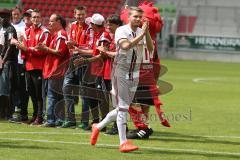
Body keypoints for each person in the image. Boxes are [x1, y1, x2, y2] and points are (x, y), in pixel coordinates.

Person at [89, 7, 153, 152]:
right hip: (121, 72)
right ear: (128, 17)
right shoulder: (121, 30)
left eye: (140, 17)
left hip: (134, 74)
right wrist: (142, 34)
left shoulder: (140, 32)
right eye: (135, 16)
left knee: (121, 108)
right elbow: (125, 45)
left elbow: (150, 48)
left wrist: (146, 32)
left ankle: (97, 127)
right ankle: (123, 142)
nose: (138, 19)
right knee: (123, 108)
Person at [11, 9, 51, 125]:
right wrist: (20, 46)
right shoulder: (27, 31)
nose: (35, 19)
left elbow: (41, 51)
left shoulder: (45, 32)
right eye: (33, 17)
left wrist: (25, 48)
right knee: (32, 93)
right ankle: (35, 116)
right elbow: (25, 51)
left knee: (39, 94)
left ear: (41, 18)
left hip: (39, 67)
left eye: (37, 17)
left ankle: (40, 117)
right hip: (28, 66)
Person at [36, 14, 70, 127]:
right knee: (57, 96)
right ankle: (58, 119)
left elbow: (60, 52)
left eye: (51, 21)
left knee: (51, 96)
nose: (49, 23)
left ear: (58, 22)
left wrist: (45, 48)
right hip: (56, 70)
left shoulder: (61, 34)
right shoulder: (57, 34)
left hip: (56, 70)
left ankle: (51, 120)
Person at [60, 6, 89, 128]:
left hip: (84, 61)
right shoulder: (72, 26)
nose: (80, 17)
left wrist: (76, 44)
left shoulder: (89, 28)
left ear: (86, 14)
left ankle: (84, 121)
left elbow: (89, 45)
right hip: (72, 60)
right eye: (78, 14)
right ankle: (71, 119)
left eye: (82, 14)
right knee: (66, 88)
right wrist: (69, 44)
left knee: (84, 92)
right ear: (74, 14)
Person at [0, 11, 18, 119]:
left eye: (4, 16)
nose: (2, 19)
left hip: (8, 62)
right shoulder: (1, 29)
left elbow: (10, 47)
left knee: (6, 88)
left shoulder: (11, 29)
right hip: (2, 61)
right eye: (0, 17)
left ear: (9, 17)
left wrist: (3, 60)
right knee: (2, 88)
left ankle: (8, 113)